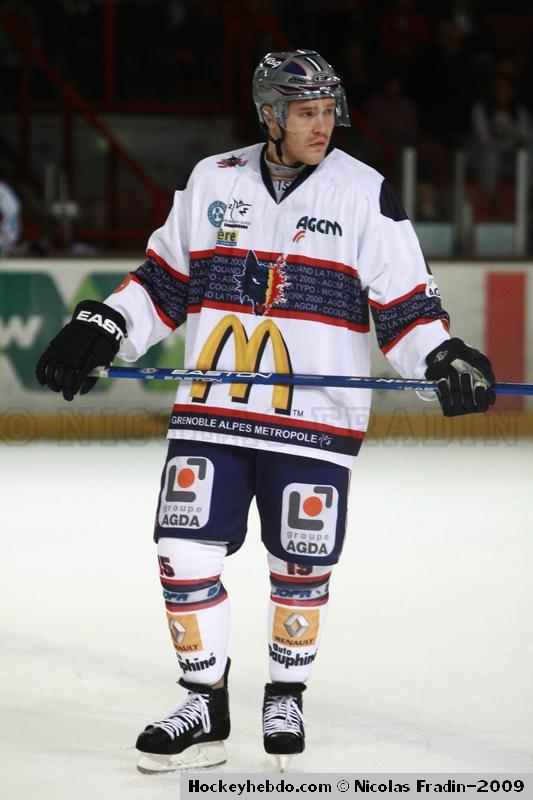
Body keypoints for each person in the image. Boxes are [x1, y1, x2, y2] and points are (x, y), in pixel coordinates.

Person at [35, 49, 495, 773]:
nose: (321, 126)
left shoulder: (364, 192)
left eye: (327, 112)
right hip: (212, 410)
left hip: (314, 418)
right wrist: (106, 324)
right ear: (269, 116)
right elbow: (164, 281)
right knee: (181, 550)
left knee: (300, 562)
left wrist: (440, 358)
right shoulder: (211, 179)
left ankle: (286, 692)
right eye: (305, 113)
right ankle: (203, 701)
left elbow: (406, 307)